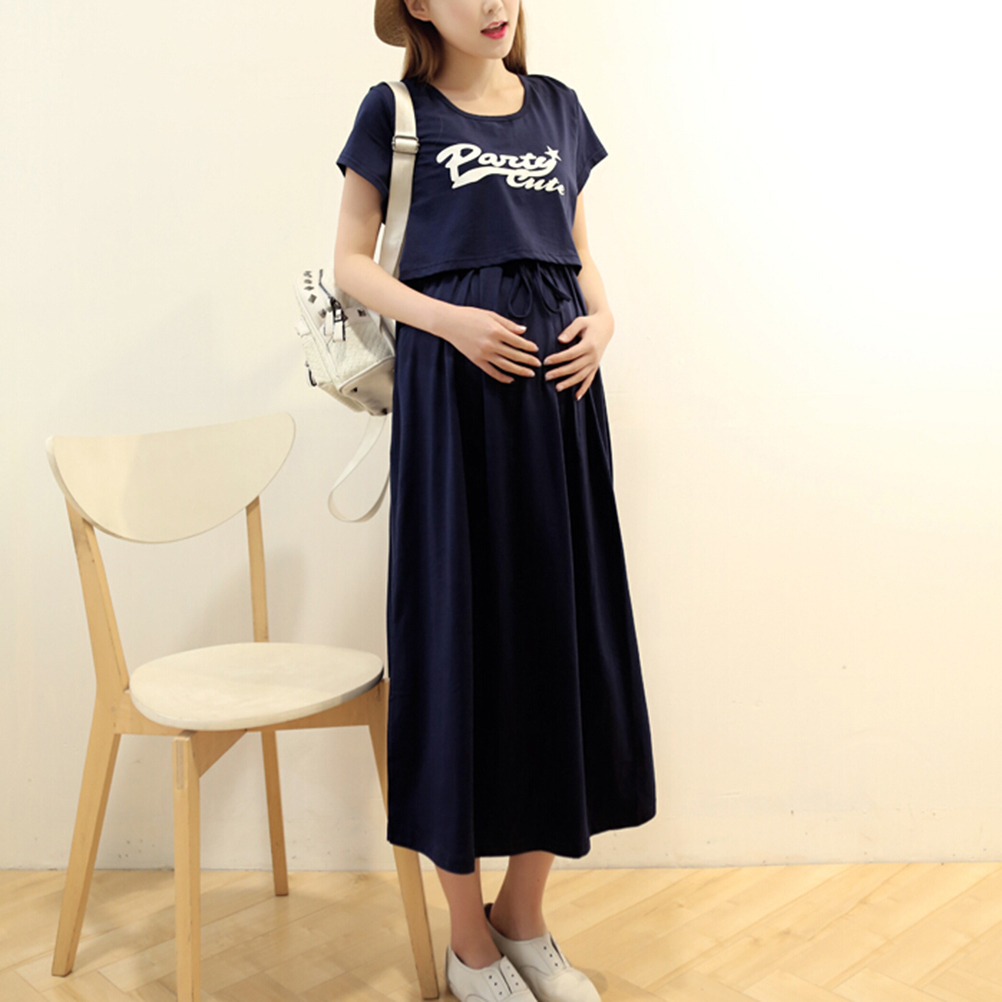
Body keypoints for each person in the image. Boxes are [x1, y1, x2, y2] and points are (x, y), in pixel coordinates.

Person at [333, 1, 657, 999]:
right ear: (416, 4)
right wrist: (450, 323)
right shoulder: (396, 112)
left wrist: (604, 323)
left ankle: (525, 915)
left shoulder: (557, 107)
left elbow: (578, 252)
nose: (494, 4)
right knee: (456, 648)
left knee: (562, 640)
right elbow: (350, 265)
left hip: (559, 414)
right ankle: (468, 940)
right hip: (453, 417)